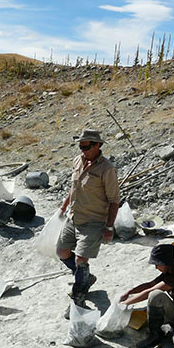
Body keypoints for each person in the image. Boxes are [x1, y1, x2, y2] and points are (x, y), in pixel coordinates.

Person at [56, 129, 120, 312]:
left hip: (93, 221)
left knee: (80, 260)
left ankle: (78, 299)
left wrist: (109, 226)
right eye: (80, 146)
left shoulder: (107, 169)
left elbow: (114, 200)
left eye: (87, 146)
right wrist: (63, 206)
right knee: (62, 251)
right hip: (74, 216)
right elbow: (74, 187)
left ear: (98, 145)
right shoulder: (78, 160)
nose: (83, 150)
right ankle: (86, 279)